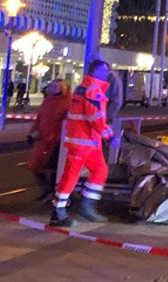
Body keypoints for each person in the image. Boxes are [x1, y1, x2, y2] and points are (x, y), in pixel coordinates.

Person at [50, 59, 114, 227]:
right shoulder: (94, 91)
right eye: (105, 71)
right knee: (71, 175)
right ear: (97, 72)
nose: (107, 74)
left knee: (100, 170)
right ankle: (59, 212)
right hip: (84, 142)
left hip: (86, 141)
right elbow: (96, 118)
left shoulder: (83, 88)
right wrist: (109, 136)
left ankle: (86, 206)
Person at [27, 78, 71, 201]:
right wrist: (32, 134)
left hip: (57, 141)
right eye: (52, 87)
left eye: (56, 87)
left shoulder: (68, 102)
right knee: (35, 166)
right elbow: (39, 119)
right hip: (43, 139)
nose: (53, 89)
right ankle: (46, 188)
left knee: (53, 169)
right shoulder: (47, 101)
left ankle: (52, 192)